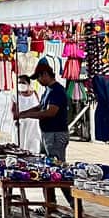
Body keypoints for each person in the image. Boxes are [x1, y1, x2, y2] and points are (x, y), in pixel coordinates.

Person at [18, 61, 71, 207]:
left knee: (58, 170)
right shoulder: (47, 90)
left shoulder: (57, 91)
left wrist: (27, 116)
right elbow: (41, 106)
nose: (39, 81)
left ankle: (74, 204)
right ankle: (50, 203)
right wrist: (23, 113)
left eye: (39, 78)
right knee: (45, 169)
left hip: (56, 134)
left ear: (46, 75)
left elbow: (50, 112)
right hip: (47, 134)